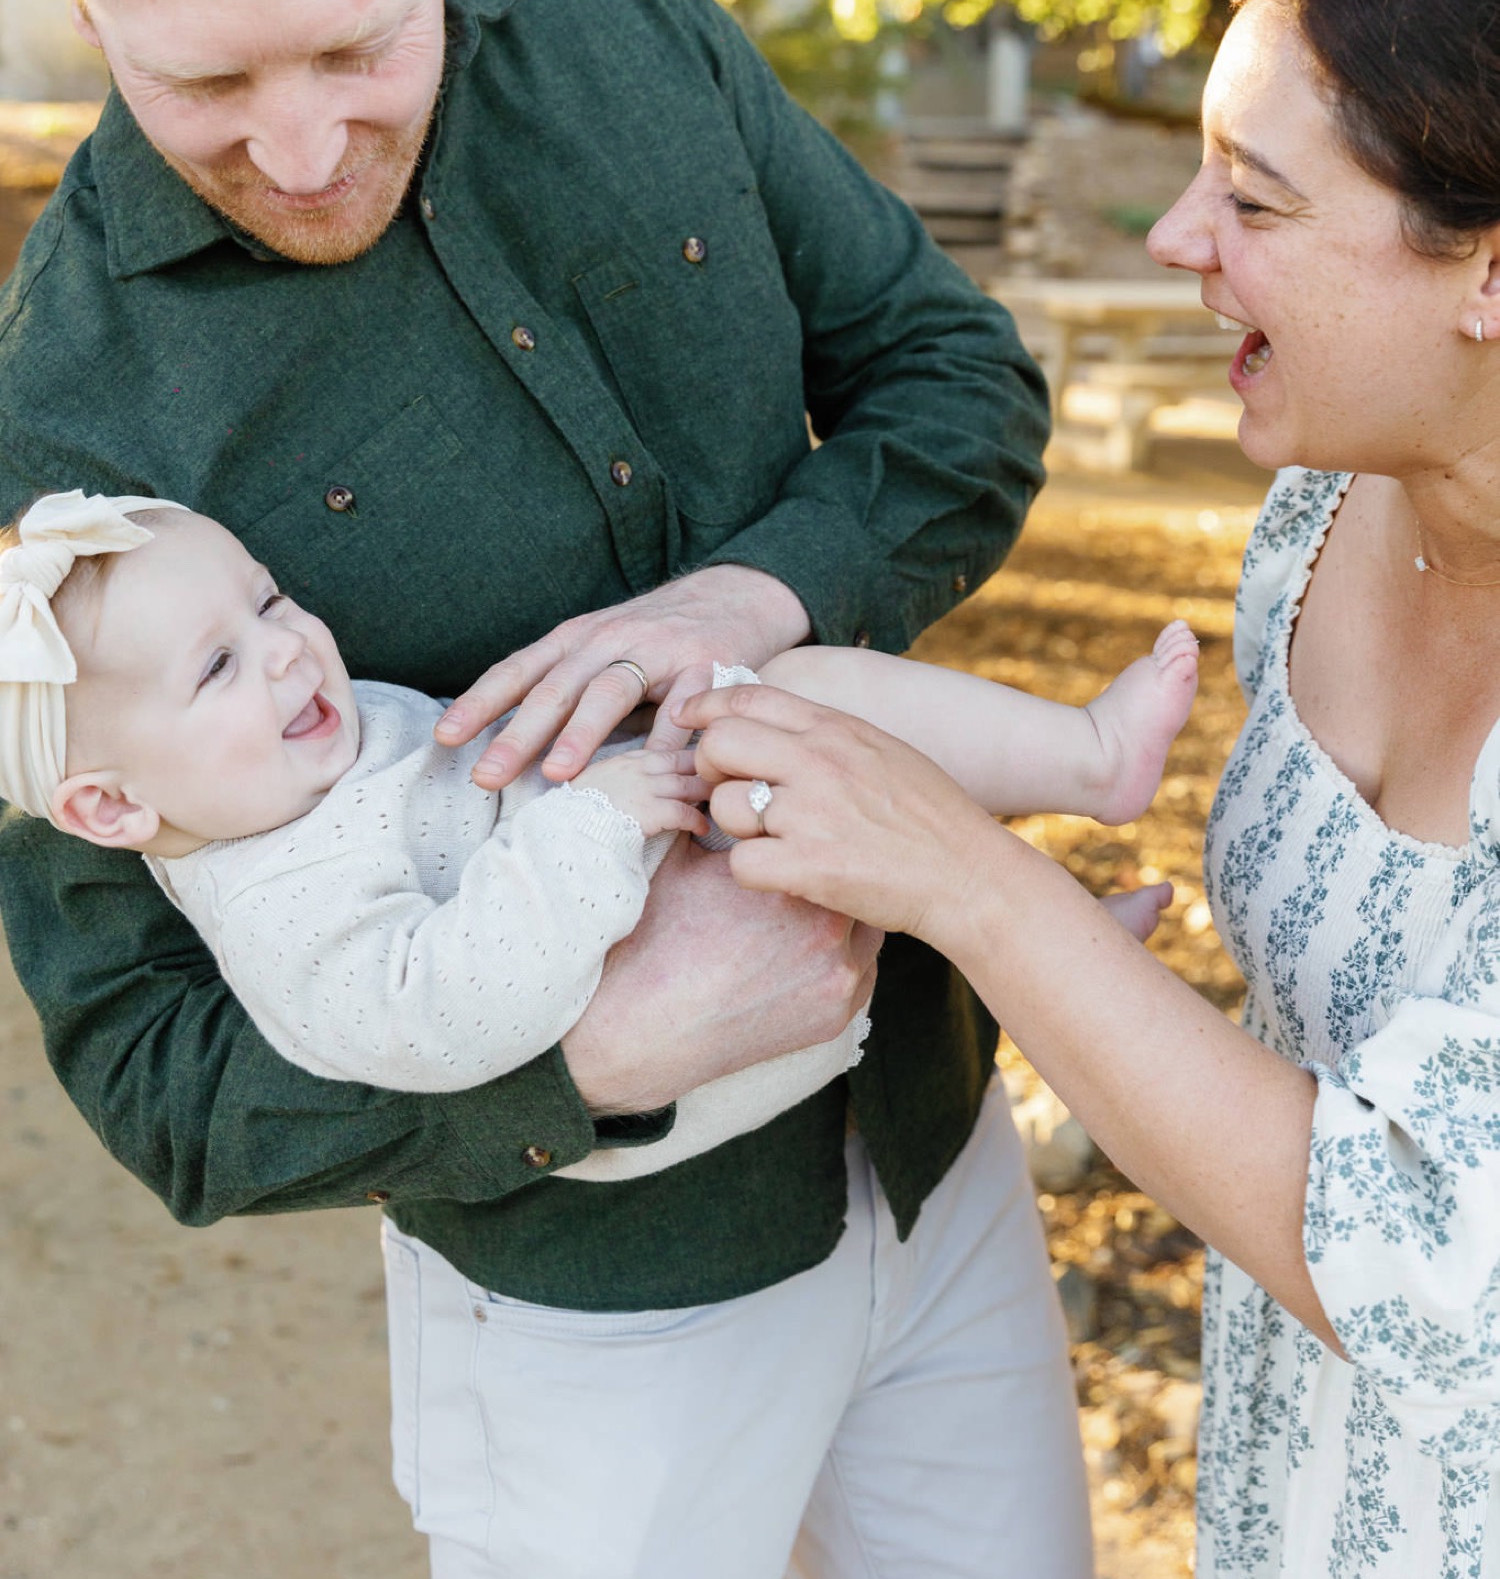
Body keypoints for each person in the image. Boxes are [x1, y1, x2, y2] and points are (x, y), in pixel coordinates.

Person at [0, 0, 1094, 1579]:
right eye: (209, 77)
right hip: (598, 1305)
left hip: (941, 1138)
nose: (299, 151)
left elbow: (950, 390)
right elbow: (158, 1082)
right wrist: (583, 1065)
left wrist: (750, 595)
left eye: (358, 42)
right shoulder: (62, 455)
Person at [689, 0, 1500, 1579]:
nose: (1173, 235)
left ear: (1485, 266)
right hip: (1305, 1556)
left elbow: (1425, 1248)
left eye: (1257, 201)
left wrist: (979, 888)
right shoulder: (1312, 529)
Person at [0, 490, 1196, 1170]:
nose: (282, 647)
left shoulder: (290, 756)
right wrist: (599, 823)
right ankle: (1057, 912)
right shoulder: (281, 915)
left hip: (644, 853)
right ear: (110, 807)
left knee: (806, 711)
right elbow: (442, 1017)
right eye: (217, 665)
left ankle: (1076, 809)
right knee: (807, 768)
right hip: (677, 1022)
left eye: (266, 599)